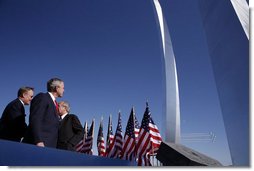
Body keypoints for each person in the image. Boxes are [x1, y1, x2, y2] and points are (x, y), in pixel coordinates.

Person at [23, 78, 64, 148]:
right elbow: (36, 119)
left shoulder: (54, 103)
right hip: (40, 144)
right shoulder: (43, 97)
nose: (64, 90)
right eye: (63, 88)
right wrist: (38, 140)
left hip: (50, 145)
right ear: (57, 88)